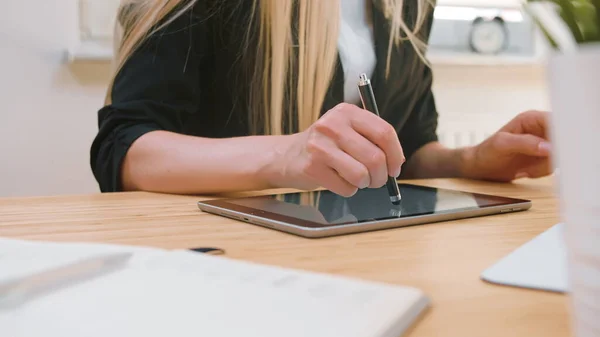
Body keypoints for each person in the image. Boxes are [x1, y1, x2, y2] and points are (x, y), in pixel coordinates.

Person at [90, 0, 552, 197]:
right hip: (214, 253)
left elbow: (405, 153)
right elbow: (125, 152)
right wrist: (284, 155)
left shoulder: (409, 7)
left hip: (343, 250)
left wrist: (472, 161)